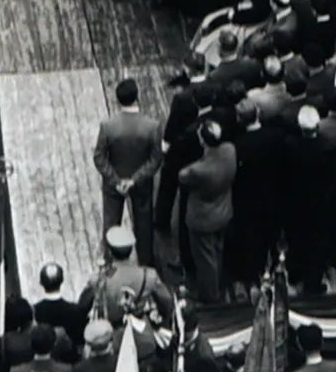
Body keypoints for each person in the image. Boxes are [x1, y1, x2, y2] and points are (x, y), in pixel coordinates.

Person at [92, 77, 162, 263]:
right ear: (137, 97)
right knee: (144, 225)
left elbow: (99, 157)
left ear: (117, 99)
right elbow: (155, 159)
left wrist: (116, 180)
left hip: (114, 184)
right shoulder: (152, 126)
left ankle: (109, 261)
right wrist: (134, 179)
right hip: (140, 184)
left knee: (111, 223)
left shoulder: (108, 126)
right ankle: (146, 263)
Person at [179, 119, 237, 303]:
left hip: (203, 219)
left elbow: (182, 176)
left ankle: (210, 297)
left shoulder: (197, 170)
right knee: (217, 250)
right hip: (224, 211)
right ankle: (218, 283)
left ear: (202, 141)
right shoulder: (230, 150)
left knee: (205, 260)